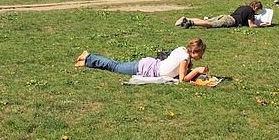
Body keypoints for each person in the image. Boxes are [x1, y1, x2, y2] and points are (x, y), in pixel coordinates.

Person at [75, 38, 206, 81]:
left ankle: (87, 62)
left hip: (150, 65)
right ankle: (88, 57)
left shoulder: (182, 49)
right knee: (115, 66)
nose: (201, 57)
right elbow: (182, 79)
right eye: (200, 54)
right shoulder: (184, 58)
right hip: (146, 68)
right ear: (194, 51)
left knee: (116, 65)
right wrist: (197, 70)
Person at [175, 1, 268, 29]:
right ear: (256, 7)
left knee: (207, 21)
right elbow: (251, 25)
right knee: (211, 25)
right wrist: (261, 25)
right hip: (230, 21)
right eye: (258, 10)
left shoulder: (242, 7)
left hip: (226, 16)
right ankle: (191, 23)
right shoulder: (250, 11)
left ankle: (186, 18)